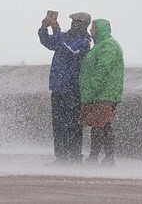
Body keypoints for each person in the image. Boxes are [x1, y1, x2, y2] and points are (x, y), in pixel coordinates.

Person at [38, 11, 92, 163]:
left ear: (85, 25)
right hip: (57, 88)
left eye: (77, 22)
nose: (74, 24)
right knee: (58, 125)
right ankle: (60, 157)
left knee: (73, 124)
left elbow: (73, 51)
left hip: (72, 90)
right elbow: (48, 42)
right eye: (73, 22)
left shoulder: (84, 41)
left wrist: (57, 30)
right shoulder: (64, 37)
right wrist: (44, 28)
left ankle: (74, 157)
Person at [78, 19, 125, 165]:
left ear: (100, 29)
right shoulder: (101, 45)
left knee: (99, 126)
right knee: (104, 125)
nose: (91, 32)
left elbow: (103, 70)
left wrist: (91, 89)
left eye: (93, 29)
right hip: (102, 93)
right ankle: (108, 159)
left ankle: (95, 157)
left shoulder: (108, 46)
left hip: (104, 94)